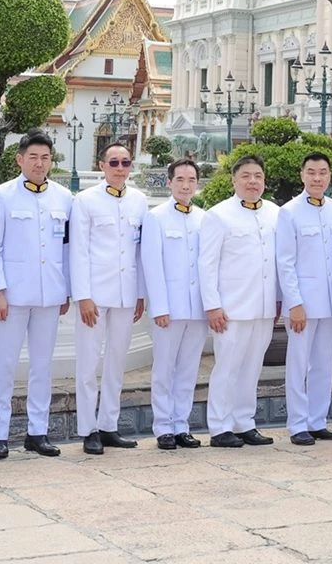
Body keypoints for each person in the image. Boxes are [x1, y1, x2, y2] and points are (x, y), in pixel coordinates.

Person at [0, 131, 74, 459]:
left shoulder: (64, 197)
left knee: (42, 366)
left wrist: (67, 290)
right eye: (33, 157)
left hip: (50, 294)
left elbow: (68, 247)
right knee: (5, 365)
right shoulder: (3, 195)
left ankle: (38, 432)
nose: (39, 163)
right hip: (13, 295)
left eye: (45, 158)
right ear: (20, 159)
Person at [70, 140, 149, 455]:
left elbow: (140, 251)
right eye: (113, 162)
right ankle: (88, 429)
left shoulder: (139, 200)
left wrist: (140, 293)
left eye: (125, 162)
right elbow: (78, 251)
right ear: (102, 166)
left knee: (117, 361)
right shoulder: (85, 200)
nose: (119, 168)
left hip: (126, 293)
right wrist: (83, 296)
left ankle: (108, 425)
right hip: (95, 294)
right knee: (89, 363)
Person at [200, 153, 280, 447]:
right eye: (246, 176)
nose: (252, 181)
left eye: (258, 176)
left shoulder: (275, 213)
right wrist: (212, 305)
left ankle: (244, 422)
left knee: (252, 367)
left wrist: (279, 300)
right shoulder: (218, 215)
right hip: (231, 308)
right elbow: (207, 264)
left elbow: (279, 261)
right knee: (227, 368)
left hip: (264, 306)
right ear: (234, 180)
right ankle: (220, 426)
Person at [276, 151, 332, 446]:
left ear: (330, 176)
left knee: (323, 364)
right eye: (312, 172)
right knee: (298, 365)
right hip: (302, 304)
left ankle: (317, 421)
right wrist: (294, 303)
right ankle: (297, 424)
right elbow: (285, 262)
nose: (317, 178)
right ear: (302, 175)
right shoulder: (289, 212)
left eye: (323, 173)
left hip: (330, 303)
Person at [141, 158, 207, 450]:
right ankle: (163, 427)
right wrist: (160, 307)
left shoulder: (204, 218)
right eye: (180, 179)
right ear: (169, 182)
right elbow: (152, 265)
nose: (185, 185)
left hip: (197, 308)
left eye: (191, 180)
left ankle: (181, 425)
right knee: (164, 369)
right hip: (169, 308)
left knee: (189, 370)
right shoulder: (156, 217)